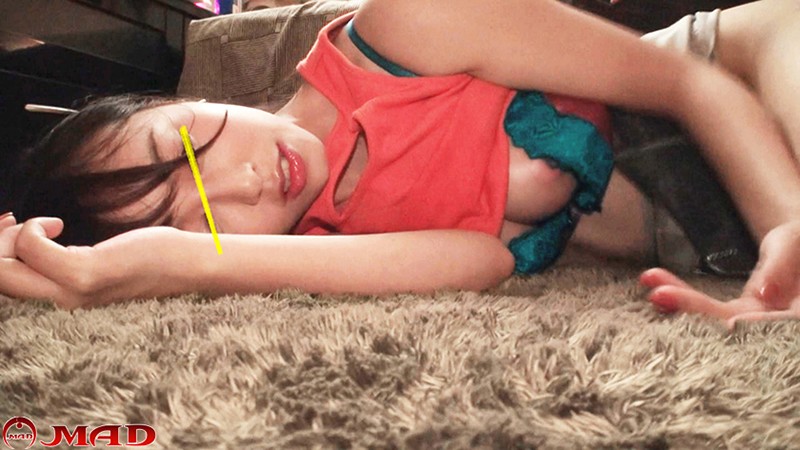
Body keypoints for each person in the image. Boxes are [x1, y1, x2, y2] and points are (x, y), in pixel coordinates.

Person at [0, 0, 798, 328]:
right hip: (699, 234)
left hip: (733, 77)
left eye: (184, 142)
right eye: (201, 217)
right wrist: (181, 260)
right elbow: (479, 260)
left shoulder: (404, 25)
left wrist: (788, 223)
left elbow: (691, 83)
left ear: (174, 97)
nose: (245, 180)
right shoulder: (312, 246)